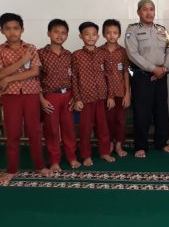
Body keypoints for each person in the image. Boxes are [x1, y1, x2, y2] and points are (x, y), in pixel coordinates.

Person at [0, 13, 51, 184]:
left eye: (16, 28)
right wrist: (22, 61)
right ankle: (12, 169)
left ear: (22, 30)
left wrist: (8, 78)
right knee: (12, 133)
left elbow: (34, 72)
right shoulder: (1, 50)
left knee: (34, 132)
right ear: (2, 31)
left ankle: (40, 165)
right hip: (10, 96)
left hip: (30, 95)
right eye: (8, 29)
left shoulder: (31, 48)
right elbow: (0, 74)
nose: (12, 32)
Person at [125, 0, 169, 158]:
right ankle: (140, 146)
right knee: (142, 111)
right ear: (138, 12)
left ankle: (162, 142)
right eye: (145, 9)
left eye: (152, 9)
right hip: (142, 77)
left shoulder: (162, 30)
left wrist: (165, 69)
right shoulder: (132, 30)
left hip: (162, 75)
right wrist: (153, 69)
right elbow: (132, 54)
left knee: (161, 109)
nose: (149, 12)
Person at [72, 21, 115, 166]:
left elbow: (109, 76)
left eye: (93, 34)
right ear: (80, 36)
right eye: (87, 34)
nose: (90, 37)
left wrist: (110, 96)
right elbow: (74, 78)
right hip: (85, 100)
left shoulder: (103, 54)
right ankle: (86, 156)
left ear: (98, 36)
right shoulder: (76, 55)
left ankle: (104, 153)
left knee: (103, 128)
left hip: (102, 99)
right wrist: (77, 99)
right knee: (85, 130)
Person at [39, 19, 80, 171]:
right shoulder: (40, 54)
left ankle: (71, 157)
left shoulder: (69, 55)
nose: (60, 35)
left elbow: (74, 78)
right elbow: (35, 79)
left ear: (67, 36)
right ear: (49, 33)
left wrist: (75, 97)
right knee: (52, 129)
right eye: (56, 31)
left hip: (68, 96)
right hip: (50, 97)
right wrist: (41, 100)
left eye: (63, 33)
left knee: (69, 128)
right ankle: (54, 160)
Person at [100, 19, 130, 157]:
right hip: (104, 94)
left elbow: (125, 72)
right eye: (109, 33)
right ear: (103, 34)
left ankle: (119, 144)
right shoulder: (99, 51)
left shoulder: (123, 52)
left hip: (120, 92)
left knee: (120, 120)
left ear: (119, 34)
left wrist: (127, 94)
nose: (112, 35)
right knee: (107, 121)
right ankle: (109, 144)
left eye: (115, 33)